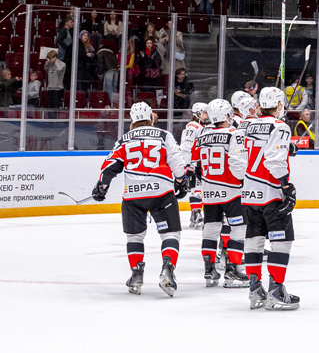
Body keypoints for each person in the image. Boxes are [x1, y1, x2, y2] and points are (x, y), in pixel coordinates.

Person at [91, 101, 189, 296]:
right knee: (170, 233)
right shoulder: (164, 135)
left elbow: (110, 165)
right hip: (161, 192)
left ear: (131, 119)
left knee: (134, 236)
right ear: (151, 117)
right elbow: (177, 163)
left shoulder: (124, 139)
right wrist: (181, 180)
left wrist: (102, 186)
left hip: (133, 195)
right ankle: (168, 269)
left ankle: (136, 274)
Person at [242, 86, 301, 310]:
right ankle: (276, 290)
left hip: (249, 194)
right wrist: (286, 186)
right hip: (271, 193)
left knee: (254, 239)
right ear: (279, 105)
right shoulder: (280, 126)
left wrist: (286, 147)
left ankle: (255, 289)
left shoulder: (248, 126)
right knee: (281, 240)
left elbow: (246, 156)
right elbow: (273, 160)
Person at [192, 98, 250, 288]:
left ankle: (209, 269)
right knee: (238, 228)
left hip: (209, 191)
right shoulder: (234, 134)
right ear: (226, 115)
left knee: (210, 228)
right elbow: (237, 163)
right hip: (231, 191)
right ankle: (233, 269)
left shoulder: (202, 136)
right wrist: (244, 182)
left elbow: (197, 165)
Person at [179, 101, 208, 229]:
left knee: (201, 189)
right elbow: (186, 146)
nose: (207, 115)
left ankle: (196, 213)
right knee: (197, 189)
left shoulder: (202, 126)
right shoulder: (192, 127)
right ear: (198, 114)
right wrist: (188, 165)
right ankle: (195, 213)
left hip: (201, 161)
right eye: (205, 113)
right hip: (195, 163)